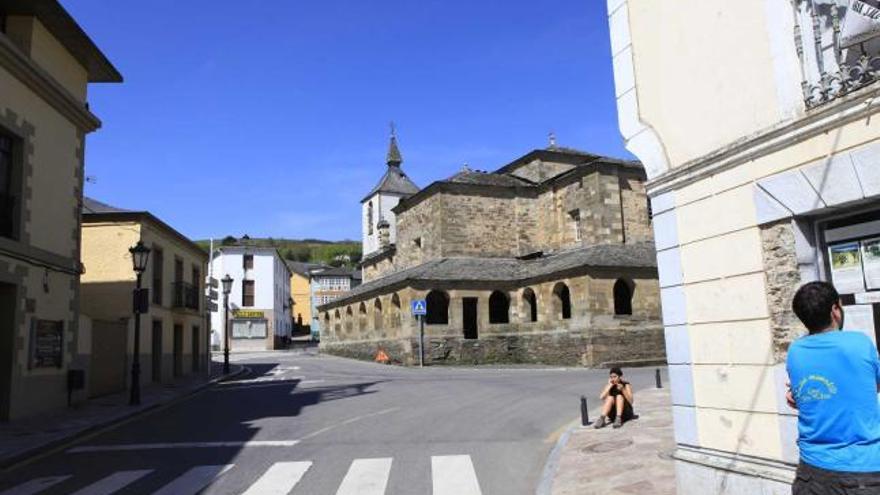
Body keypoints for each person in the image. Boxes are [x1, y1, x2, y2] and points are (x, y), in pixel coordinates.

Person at [786, 281, 880, 494]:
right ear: (835, 310)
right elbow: (872, 386)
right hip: (863, 471)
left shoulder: (795, 351)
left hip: (812, 472)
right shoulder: (860, 343)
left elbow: (804, 396)